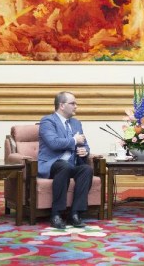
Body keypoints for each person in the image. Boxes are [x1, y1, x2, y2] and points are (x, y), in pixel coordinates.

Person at [38, 91, 93, 229]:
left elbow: (84, 144)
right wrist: (74, 140)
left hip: (71, 164)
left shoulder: (76, 123)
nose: (76, 106)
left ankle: (75, 213)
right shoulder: (48, 121)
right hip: (52, 164)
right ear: (62, 105)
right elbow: (53, 143)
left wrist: (84, 151)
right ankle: (56, 213)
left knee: (86, 169)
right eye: (73, 103)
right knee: (64, 167)